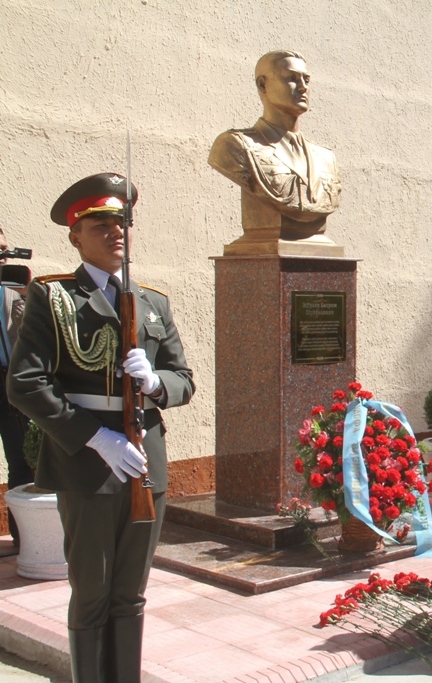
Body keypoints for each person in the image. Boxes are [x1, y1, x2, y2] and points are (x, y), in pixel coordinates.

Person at [7, 173, 195, 683]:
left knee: (131, 593)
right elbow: (24, 385)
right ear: (75, 235)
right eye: (101, 224)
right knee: (92, 591)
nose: (117, 233)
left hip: (145, 464)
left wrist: (156, 382)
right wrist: (96, 437)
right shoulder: (53, 297)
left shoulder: (153, 302)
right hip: (87, 463)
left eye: (123, 223)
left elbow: (184, 380)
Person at [209, 50, 342, 236]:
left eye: (307, 80)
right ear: (263, 85)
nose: (303, 87)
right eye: (292, 78)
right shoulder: (235, 146)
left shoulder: (326, 158)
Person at [0, 227, 32, 546]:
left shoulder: (12, 287)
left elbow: (26, 334)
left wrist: (27, 295)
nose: (4, 255)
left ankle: (24, 539)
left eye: (6, 248)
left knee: (21, 459)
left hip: (9, 381)